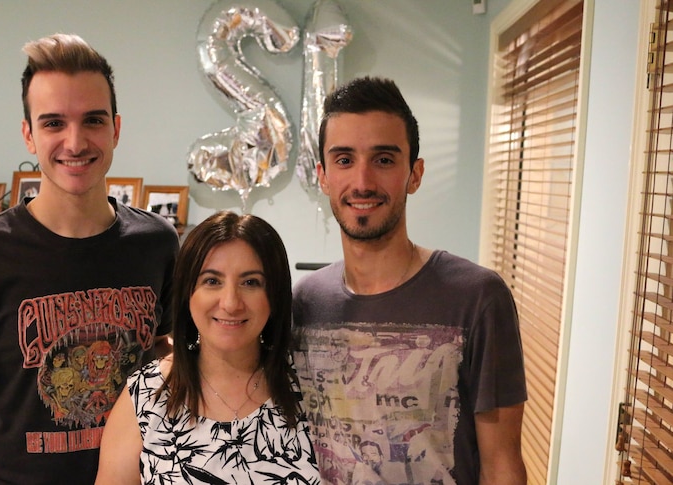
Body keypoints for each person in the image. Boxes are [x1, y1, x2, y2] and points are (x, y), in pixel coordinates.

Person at [0, 33, 178, 485]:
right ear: (29, 134)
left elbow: (166, 357)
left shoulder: (157, 243)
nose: (75, 141)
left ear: (116, 129)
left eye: (93, 120)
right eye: (54, 123)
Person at [292, 77, 527, 485]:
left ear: (414, 174)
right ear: (324, 176)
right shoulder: (303, 305)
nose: (362, 182)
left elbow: (501, 464)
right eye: (344, 160)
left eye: (383, 159)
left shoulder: (477, 299)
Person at [95, 211, 320, 485]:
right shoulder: (145, 397)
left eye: (251, 282)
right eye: (212, 281)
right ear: (188, 292)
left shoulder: (312, 387)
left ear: (274, 295)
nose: (230, 303)